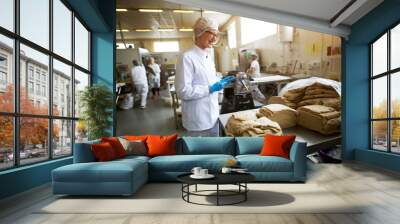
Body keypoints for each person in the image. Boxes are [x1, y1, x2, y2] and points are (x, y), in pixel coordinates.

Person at [175, 17, 235, 137]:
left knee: (217, 152)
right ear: (199, 32)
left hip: (213, 116)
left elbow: (207, 81)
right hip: (198, 121)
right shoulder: (187, 57)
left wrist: (219, 81)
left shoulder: (208, 57)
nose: (215, 38)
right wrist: (210, 89)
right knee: (203, 154)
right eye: (212, 33)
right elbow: (183, 91)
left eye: (216, 34)